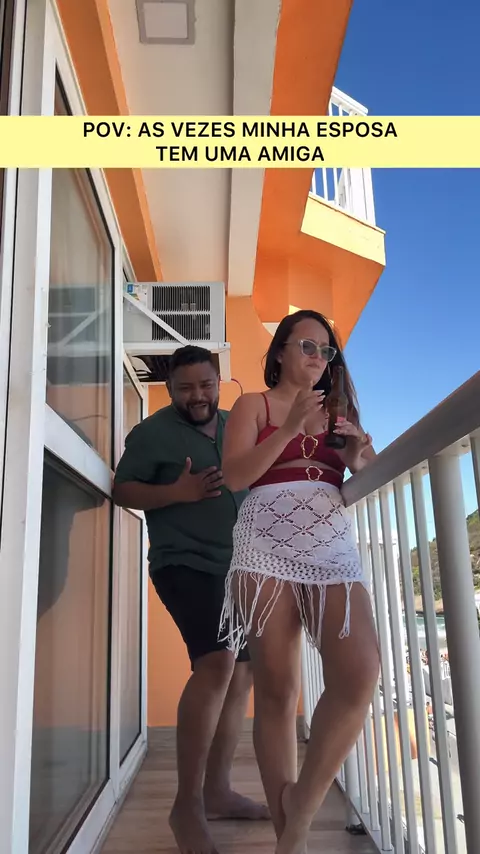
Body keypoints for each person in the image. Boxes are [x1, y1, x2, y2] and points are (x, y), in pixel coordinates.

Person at [219, 310, 380, 854]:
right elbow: (236, 476)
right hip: (264, 540)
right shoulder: (254, 405)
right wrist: (288, 429)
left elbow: (369, 471)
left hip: (328, 541)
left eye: (325, 351)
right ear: (281, 352)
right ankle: (291, 842)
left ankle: (300, 809)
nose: (317, 357)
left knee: (359, 672)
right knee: (278, 688)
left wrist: (357, 456)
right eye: (306, 346)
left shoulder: (340, 412)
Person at [113, 345, 268, 854]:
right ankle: (186, 806)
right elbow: (122, 490)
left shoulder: (234, 425)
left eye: (205, 385)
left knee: (242, 673)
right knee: (217, 662)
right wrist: (176, 493)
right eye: (185, 388)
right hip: (183, 563)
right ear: (170, 389)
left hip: (237, 568)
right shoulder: (151, 434)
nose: (196, 396)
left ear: (219, 382)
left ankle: (218, 791)